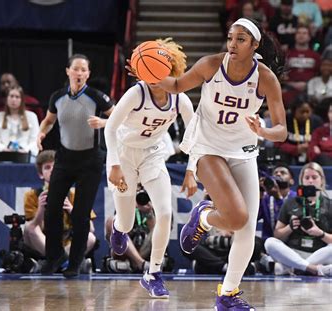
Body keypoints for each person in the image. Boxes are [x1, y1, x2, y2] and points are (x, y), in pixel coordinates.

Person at [142, 18, 287, 308]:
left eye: (241, 39)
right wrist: (148, 73)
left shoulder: (266, 78)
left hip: (244, 151)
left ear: (255, 45)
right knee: (235, 217)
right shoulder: (211, 64)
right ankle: (205, 216)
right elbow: (177, 85)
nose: (233, 44)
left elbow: (281, 130)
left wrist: (263, 131)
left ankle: (228, 294)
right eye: (231, 38)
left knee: (245, 228)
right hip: (208, 147)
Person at [107, 38, 196, 298]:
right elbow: (111, 128)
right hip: (123, 154)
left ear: (171, 70)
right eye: (150, 72)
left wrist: (191, 170)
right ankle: (119, 229)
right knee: (124, 219)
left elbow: (194, 137)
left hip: (153, 154)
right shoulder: (136, 93)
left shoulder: (180, 100)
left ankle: (153, 273)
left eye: (160, 71)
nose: (155, 77)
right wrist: (113, 165)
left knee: (165, 212)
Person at [37, 53, 113, 278]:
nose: (79, 73)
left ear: (88, 74)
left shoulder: (97, 96)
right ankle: (54, 257)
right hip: (64, 158)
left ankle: (75, 262)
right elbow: (49, 120)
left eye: (83, 70)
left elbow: (120, 117)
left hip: (90, 160)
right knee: (52, 208)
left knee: (80, 213)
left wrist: (104, 122)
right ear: (68, 71)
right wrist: (41, 132)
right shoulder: (57, 97)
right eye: (76, 69)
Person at [23, 150, 96, 271]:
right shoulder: (32, 195)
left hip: (67, 242)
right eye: (47, 167)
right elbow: (33, 229)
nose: (52, 170)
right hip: (44, 241)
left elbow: (91, 227)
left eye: (55, 166)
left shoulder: (73, 194)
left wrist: (72, 210)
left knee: (90, 237)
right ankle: (63, 263)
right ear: (41, 174)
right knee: (29, 228)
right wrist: (41, 209)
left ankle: (59, 262)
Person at [264, 162, 332, 276]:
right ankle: (312, 269)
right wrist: (289, 228)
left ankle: (294, 268)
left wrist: (320, 233)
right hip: (293, 252)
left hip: (320, 254)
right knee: (270, 243)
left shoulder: (329, 205)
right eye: (307, 178)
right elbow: (277, 235)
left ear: (322, 180)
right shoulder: (290, 203)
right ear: (301, 181)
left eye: (314, 177)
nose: (310, 181)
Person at [0, 85, 39, 159]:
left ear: (22, 100)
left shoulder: (32, 116)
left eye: (17, 97)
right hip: (4, 156)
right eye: (11, 96)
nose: (14, 99)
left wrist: (25, 150)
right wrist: (4, 149)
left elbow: (35, 141)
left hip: (26, 156)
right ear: (6, 99)